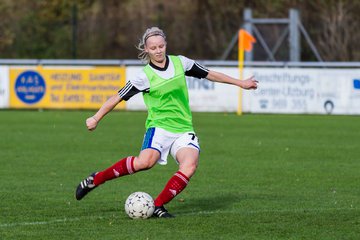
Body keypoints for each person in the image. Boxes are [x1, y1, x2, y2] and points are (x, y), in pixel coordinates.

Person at [75, 26, 258, 218]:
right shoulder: (144, 76)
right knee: (145, 163)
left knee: (190, 165)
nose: (158, 50)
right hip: (159, 128)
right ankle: (97, 179)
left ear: (165, 45)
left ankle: (158, 205)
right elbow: (117, 97)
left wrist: (241, 83)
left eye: (161, 46)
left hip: (183, 128)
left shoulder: (181, 63)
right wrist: (96, 117)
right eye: (153, 48)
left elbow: (210, 74)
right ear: (146, 50)